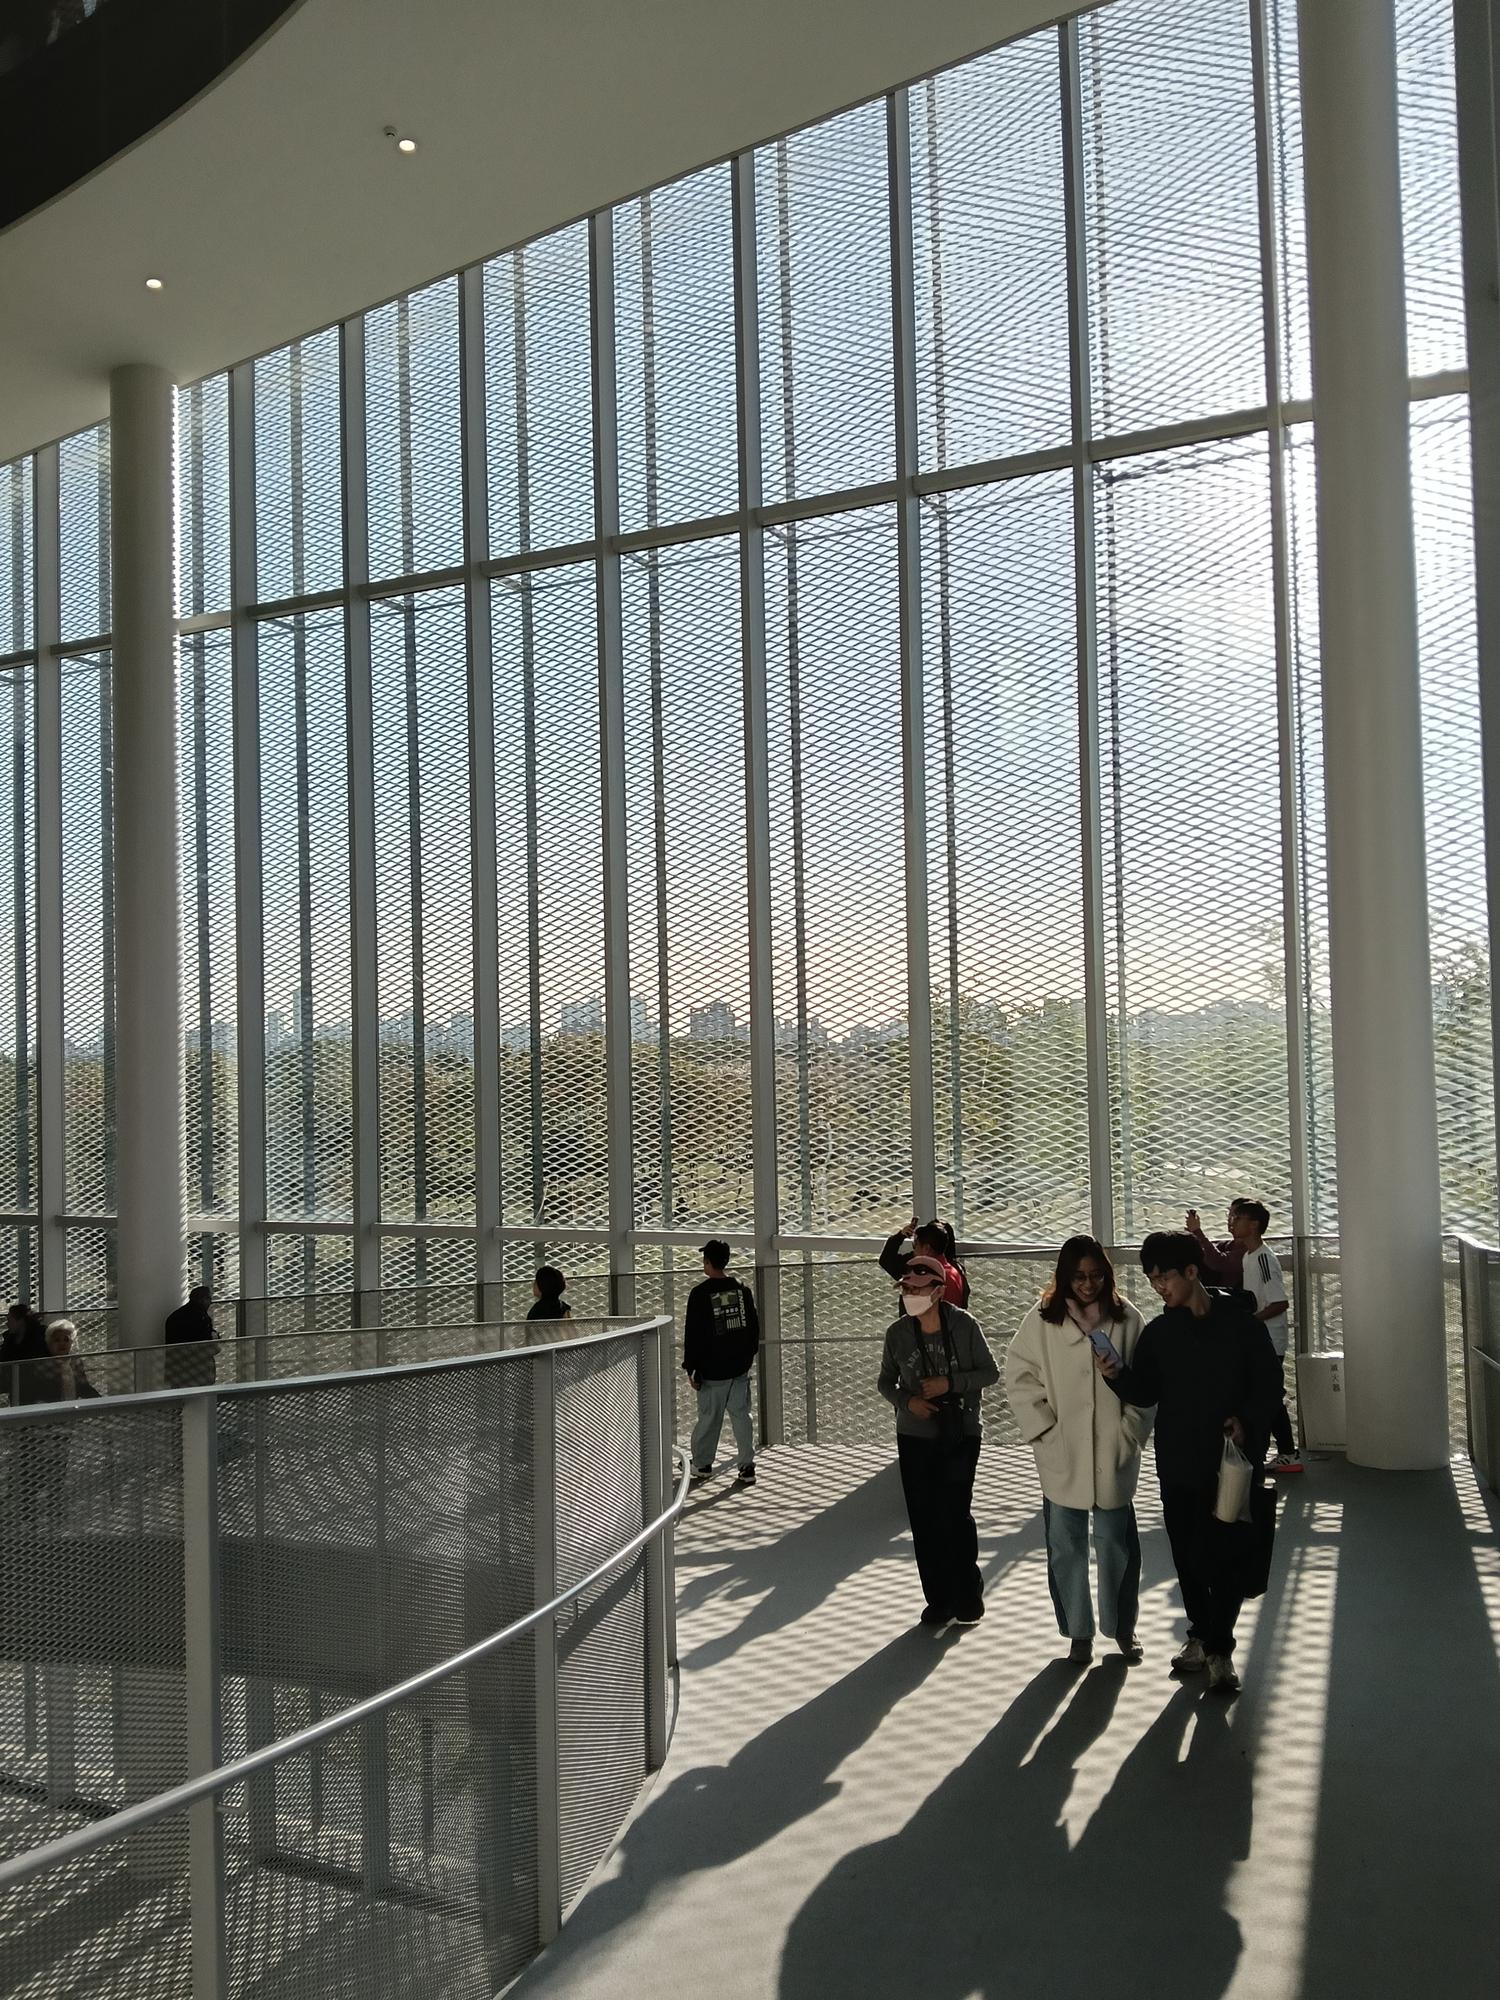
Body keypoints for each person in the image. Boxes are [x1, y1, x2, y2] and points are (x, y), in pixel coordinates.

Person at [1097, 1230, 1282, 1695]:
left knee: (1229, 1555)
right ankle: (1202, 1635)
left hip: (1231, 1465)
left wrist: (1246, 1421)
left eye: (1165, 1277)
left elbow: (1269, 1386)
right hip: (1179, 1462)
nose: (1158, 1287)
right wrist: (1115, 1374)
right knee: (1189, 1554)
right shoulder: (1161, 1334)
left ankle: (1218, 1647)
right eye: (1152, 1279)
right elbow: (1146, 1392)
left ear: (1193, 1271)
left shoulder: (1241, 1326)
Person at [1006, 1236, 1153, 1665]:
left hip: (1113, 1451)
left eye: (1096, 1276)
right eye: (1079, 1277)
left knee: (1116, 1544)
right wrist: (1044, 1431)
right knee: (1065, 1545)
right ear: (1064, 1277)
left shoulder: (1128, 1319)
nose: (1088, 1285)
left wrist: (1129, 1433)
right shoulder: (1042, 1320)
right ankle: (1077, 1632)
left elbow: (1149, 1386)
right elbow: (1019, 1376)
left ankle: (1122, 1628)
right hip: (1062, 1451)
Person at [876, 1253, 999, 1629]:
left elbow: (991, 1372)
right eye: (906, 1289)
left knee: (955, 1512)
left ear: (939, 1291)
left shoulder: (964, 1325)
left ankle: (967, 1594)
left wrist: (951, 1384)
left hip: (960, 1430)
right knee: (924, 1517)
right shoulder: (897, 1333)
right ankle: (938, 1599)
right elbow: (885, 1382)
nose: (910, 1295)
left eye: (917, 1289)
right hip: (914, 1434)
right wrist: (908, 1402)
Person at [1230, 1200, 1300, 1472]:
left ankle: (1286, 1452)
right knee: (1268, 1395)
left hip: (1271, 1339)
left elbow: (1279, 1302)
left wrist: (1250, 1322)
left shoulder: (1262, 1258)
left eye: (1238, 1218)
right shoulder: (1249, 1257)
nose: (1232, 1222)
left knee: (1268, 1396)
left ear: (1254, 1225)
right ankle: (1285, 1452)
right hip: (1261, 1338)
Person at [684, 1241, 761, 1489]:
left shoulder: (699, 1294)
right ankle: (747, 1466)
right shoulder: (742, 1290)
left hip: (712, 1370)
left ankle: (702, 1463)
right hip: (739, 1367)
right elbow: (753, 1327)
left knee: (709, 1417)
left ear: (707, 1262)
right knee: (742, 1417)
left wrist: (691, 1367)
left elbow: (693, 1334)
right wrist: (748, 1356)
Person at [878, 1215, 970, 1307]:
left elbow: (887, 1261)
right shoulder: (955, 1271)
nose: (914, 1250)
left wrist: (900, 1236)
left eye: (916, 1244)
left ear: (926, 1248)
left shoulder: (923, 1274)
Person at [1183, 1200, 1250, 1292]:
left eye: (1235, 1217)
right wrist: (1193, 1236)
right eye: (1229, 1215)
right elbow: (1207, 1252)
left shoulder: (1251, 1252)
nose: (1230, 1220)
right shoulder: (1228, 1245)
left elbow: (1217, 1260)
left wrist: (1197, 1231)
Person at [164, 1285, 219, 1388]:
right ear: (201, 1300)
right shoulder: (201, 1318)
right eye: (208, 1298)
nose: (210, 1302)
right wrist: (215, 1337)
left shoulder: (176, 1316)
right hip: (198, 1369)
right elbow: (207, 1343)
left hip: (177, 1369)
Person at [2, 1301, 50, 1406]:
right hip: (16, 1385)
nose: (7, 1323)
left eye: (10, 1320)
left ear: (20, 1321)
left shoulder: (38, 1338)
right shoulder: (10, 1340)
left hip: (36, 1385)